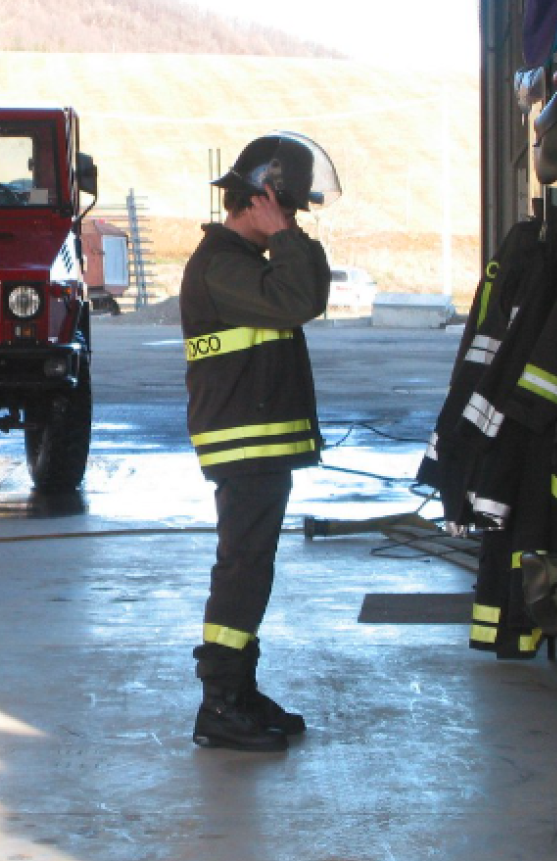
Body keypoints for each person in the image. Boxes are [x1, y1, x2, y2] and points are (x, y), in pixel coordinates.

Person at [180, 132, 340, 752]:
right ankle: (219, 700)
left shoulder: (244, 262)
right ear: (261, 199)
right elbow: (299, 300)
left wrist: (286, 239)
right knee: (242, 569)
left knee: (252, 568)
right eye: (288, 208)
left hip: (257, 443)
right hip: (242, 445)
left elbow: (309, 294)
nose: (292, 220)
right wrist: (286, 238)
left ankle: (239, 692)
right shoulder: (224, 264)